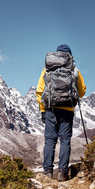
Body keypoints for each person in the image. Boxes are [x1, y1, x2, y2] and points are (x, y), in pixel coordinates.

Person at [35, 44, 86, 181]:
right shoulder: (74, 69)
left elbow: (40, 91)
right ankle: (62, 172)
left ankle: (47, 172)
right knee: (65, 141)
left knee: (50, 141)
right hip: (67, 110)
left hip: (51, 109)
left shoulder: (47, 69)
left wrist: (43, 110)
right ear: (69, 56)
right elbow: (81, 92)